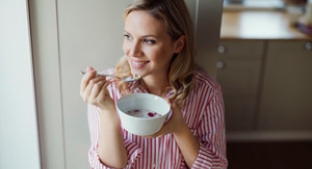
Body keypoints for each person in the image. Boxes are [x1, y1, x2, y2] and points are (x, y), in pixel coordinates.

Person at [80, 0, 228, 168]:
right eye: (128, 37)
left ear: (178, 44)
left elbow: (216, 167)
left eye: (148, 41)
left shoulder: (206, 92)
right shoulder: (108, 88)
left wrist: (180, 129)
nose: (133, 51)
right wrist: (107, 110)